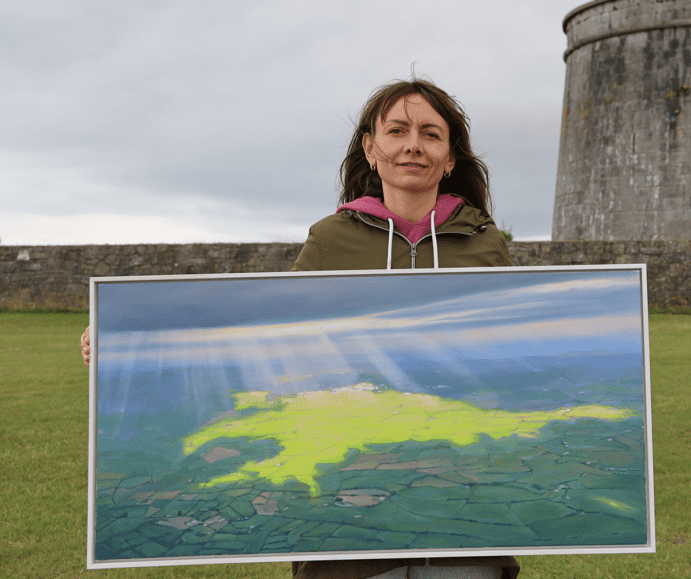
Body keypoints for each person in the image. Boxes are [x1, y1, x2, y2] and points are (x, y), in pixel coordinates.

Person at [82, 79, 518, 579]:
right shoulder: (331, 239)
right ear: (371, 150)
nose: (412, 144)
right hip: (345, 514)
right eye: (396, 130)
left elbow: (508, 352)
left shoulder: (484, 244)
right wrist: (120, 334)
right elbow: (269, 330)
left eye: (430, 134)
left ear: (449, 158)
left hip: (463, 516)